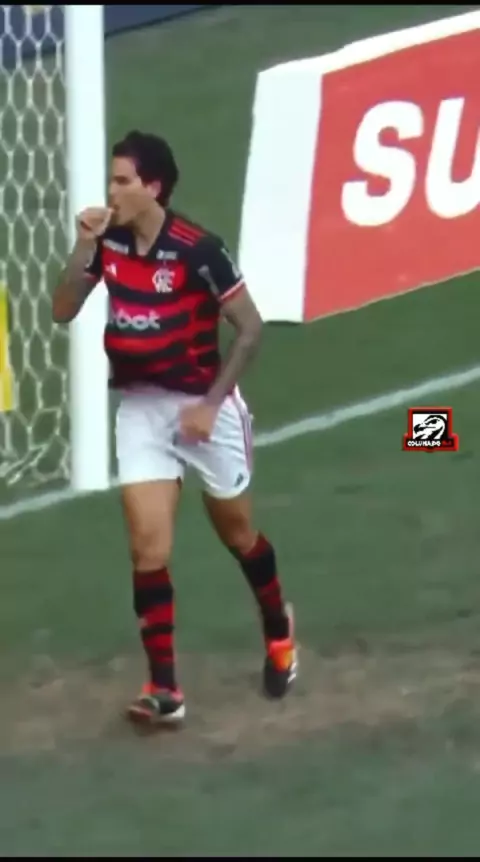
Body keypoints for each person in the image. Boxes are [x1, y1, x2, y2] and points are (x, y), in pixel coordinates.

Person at [52, 130, 297, 728]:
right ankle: (164, 688)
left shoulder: (198, 250)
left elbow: (250, 329)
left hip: (204, 409)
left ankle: (278, 627)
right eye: (111, 180)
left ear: (153, 187)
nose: (111, 191)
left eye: (122, 181)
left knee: (238, 534)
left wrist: (211, 405)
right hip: (141, 408)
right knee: (147, 548)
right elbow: (63, 310)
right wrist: (83, 246)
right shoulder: (107, 242)